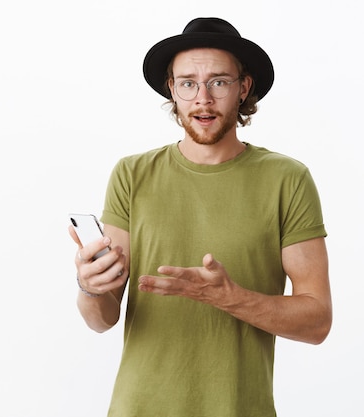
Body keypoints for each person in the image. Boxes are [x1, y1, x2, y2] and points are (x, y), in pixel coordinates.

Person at [68, 17, 332, 417]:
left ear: (243, 88)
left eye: (219, 82)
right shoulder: (132, 174)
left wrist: (231, 298)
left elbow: (317, 322)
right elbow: (103, 319)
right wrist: (90, 287)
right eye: (188, 83)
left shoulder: (288, 179)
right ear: (172, 90)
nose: (203, 98)